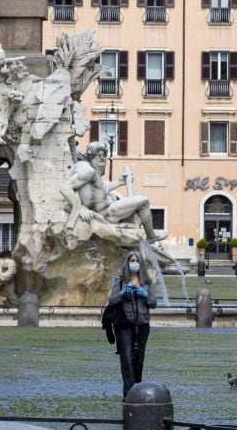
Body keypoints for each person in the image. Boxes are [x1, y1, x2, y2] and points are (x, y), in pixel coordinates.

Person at [61, 142, 168, 242]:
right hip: (107, 213)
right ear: (91, 156)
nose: (103, 159)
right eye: (100, 155)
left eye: (104, 156)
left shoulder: (87, 170)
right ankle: (151, 236)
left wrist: (119, 182)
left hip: (105, 210)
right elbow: (65, 189)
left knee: (133, 210)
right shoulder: (88, 171)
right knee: (144, 201)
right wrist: (80, 210)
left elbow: (97, 191)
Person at [107, 251, 157, 398]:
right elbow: (112, 301)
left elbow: (154, 303)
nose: (134, 263)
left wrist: (144, 294)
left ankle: (137, 388)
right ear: (127, 263)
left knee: (138, 358)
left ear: (140, 264)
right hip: (124, 324)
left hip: (142, 325)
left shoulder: (147, 283)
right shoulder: (120, 280)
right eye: (131, 261)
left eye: (136, 261)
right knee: (127, 358)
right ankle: (129, 394)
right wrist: (123, 293)